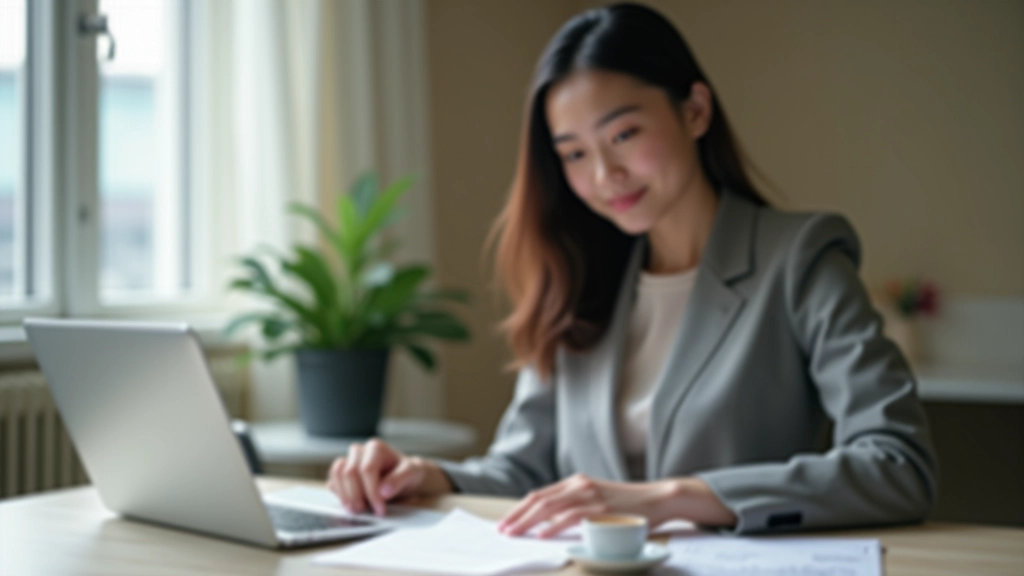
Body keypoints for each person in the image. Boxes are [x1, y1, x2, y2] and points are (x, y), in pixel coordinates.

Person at [326, 2, 937, 535]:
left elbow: (898, 464)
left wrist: (672, 499)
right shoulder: (582, 275)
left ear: (695, 111)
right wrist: (422, 476)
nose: (603, 176)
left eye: (623, 135)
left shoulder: (800, 259)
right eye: (573, 154)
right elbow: (525, 475)